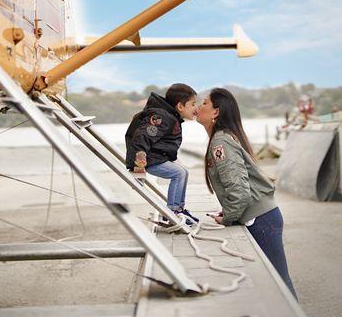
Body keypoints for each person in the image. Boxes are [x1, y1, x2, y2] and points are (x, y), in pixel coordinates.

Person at [196, 87, 297, 299]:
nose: (198, 107)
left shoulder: (220, 142)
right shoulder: (222, 138)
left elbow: (239, 191)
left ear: (216, 112)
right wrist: (229, 212)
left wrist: (228, 218)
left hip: (261, 219)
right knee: (276, 280)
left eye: (204, 103)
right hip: (262, 216)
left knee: (278, 282)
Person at [125, 83, 198, 224]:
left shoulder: (169, 116)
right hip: (148, 160)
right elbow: (141, 137)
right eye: (193, 104)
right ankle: (172, 212)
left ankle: (179, 209)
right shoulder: (161, 118)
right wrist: (139, 167)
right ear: (180, 107)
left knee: (183, 172)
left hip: (156, 157)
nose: (196, 108)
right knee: (179, 173)